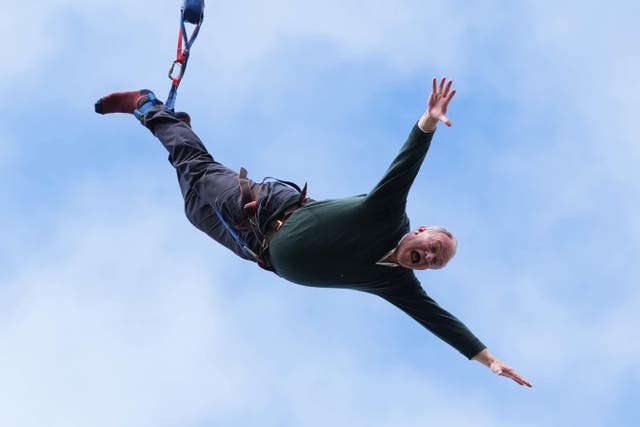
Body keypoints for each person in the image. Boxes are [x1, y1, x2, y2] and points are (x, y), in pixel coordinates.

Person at [95, 77, 532, 387]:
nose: (431, 257)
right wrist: (429, 121)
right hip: (264, 207)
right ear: (418, 232)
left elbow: (438, 320)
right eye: (434, 247)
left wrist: (488, 359)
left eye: (436, 261)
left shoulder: (393, 281)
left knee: (193, 205)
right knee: (198, 170)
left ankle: (177, 125)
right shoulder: (387, 215)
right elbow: (406, 164)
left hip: (254, 247)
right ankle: (146, 104)